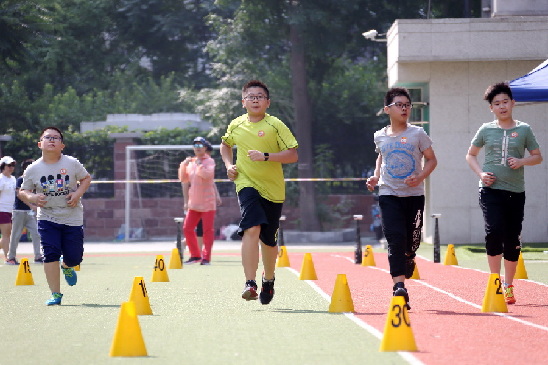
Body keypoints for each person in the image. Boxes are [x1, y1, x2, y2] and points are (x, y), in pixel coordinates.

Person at [220, 80, 298, 305]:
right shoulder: (236, 124)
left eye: (260, 96)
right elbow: (225, 145)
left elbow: (293, 154)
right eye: (251, 96)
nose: (255, 99)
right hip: (246, 183)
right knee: (251, 227)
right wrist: (228, 165)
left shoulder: (276, 125)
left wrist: (266, 156)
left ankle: (269, 279)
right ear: (243, 102)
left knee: (269, 241)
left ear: (268, 102)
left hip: (273, 189)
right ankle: (250, 282)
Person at [465, 82, 543, 305]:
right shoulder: (486, 129)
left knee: (512, 238)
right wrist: (481, 174)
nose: (501, 106)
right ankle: (494, 281)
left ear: (513, 103)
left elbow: (538, 156)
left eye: (505, 102)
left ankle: (509, 285)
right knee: (494, 232)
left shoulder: (525, 129)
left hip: (516, 192)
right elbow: (470, 155)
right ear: (491, 108)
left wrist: (521, 161)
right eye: (496, 103)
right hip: (490, 190)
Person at [366, 87, 437, 309]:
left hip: (414, 195)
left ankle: (409, 256)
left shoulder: (418, 134)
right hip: (389, 193)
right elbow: (381, 158)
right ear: (387, 109)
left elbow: (432, 160)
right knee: (395, 239)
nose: (405, 108)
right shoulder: (379, 136)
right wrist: (375, 177)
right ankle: (399, 286)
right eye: (400, 104)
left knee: (411, 241)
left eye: (407, 105)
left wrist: (421, 176)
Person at [19, 127, 92, 305]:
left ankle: (67, 266)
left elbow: (86, 178)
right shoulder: (32, 169)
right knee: (50, 253)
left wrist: (77, 194)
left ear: (62, 145)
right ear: (40, 144)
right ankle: (56, 294)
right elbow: (23, 191)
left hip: (72, 216)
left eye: (56, 138)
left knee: (75, 257)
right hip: (47, 217)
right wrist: (32, 197)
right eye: (47, 137)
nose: (51, 140)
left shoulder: (72, 163)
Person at [178, 137, 218, 265]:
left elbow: (207, 175)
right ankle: (195, 255)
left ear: (205, 148)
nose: (197, 148)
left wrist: (200, 164)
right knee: (187, 228)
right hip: (194, 203)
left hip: (207, 203)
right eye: (195, 146)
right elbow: (183, 179)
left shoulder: (209, 161)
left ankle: (206, 258)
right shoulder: (191, 163)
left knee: (207, 231)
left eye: (200, 145)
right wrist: (184, 165)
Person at [7, 159, 43, 265]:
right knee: (16, 235)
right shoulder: (20, 180)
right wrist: (32, 206)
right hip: (19, 212)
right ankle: (11, 258)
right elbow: (19, 195)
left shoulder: (33, 181)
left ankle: (38, 256)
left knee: (36, 234)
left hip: (29, 213)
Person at [0, 156, 16, 262]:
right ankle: (8, 258)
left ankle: (8, 256)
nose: (11, 167)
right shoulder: (1, 179)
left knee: (8, 234)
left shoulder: (13, 179)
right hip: (2, 209)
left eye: (13, 165)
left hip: (11, 210)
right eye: (9, 165)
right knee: (6, 234)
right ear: (3, 166)